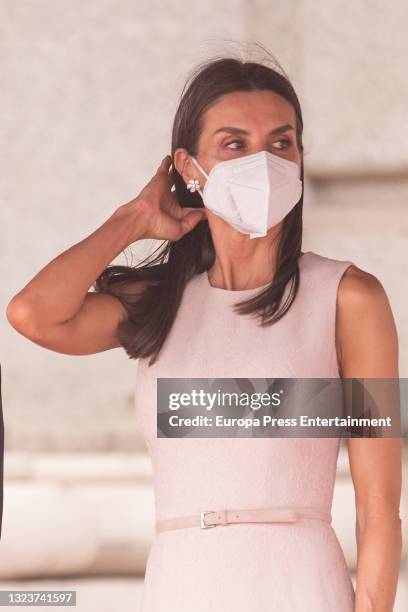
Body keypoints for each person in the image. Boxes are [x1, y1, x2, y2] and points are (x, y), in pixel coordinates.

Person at [6, 53, 402, 611]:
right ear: (189, 168)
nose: (263, 162)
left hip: (300, 585)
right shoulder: (159, 302)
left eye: (282, 143)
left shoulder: (349, 299)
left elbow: (379, 503)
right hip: (182, 584)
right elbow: (32, 315)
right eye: (235, 144)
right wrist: (136, 218)